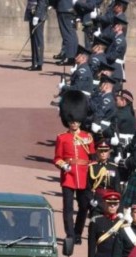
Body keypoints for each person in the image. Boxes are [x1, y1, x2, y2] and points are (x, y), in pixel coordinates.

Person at [54, 90, 95, 246]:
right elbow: (57, 158)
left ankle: (78, 232)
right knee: (68, 208)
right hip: (69, 176)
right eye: (72, 121)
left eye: (77, 121)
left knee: (84, 206)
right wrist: (63, 165)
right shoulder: (62, 138)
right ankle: (70, 234)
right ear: (68, 121)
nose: (74, 123)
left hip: (84, 175)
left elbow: (92, 157)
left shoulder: (87, 137)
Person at [87, 140, 120, 217]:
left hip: (110, 200)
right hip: (97, 199)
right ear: (97, 152)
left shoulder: (113, 167)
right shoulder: (92, 167)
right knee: (95, 222)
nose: (103, 153)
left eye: (105, 151)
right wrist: (91, 199)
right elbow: (88, 187)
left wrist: (119, 206)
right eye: (100, 151)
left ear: (109, 152)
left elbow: (117, 188)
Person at [24, 0, 49, 71]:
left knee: (38, 40)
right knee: (33, 39)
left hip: (37, 14)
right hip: (32, 13)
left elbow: (42, 2)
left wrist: (37, 15)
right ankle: (34, 62)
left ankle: (39, 63)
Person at [54, 0, 79, 66]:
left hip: (63, 8)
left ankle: (68, 57)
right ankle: (72, 57)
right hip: (72, 8)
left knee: (67, 35)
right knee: (72, 33)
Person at [105, 15, 127, 84]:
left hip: (115, 70)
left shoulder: (120, 40)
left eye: (116, 25)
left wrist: (103, 56)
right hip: (112, 67)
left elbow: (113, 55)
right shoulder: (116, 37)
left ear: (120, 27)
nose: (114, 27)